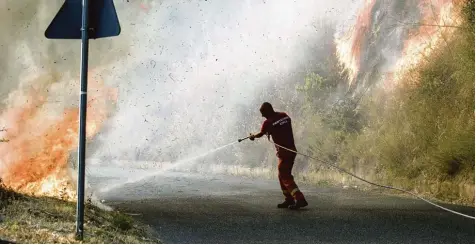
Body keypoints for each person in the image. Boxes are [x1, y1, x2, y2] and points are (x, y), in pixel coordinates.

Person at [249, 102, 308, 210]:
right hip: (291, 150)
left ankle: (300, 199)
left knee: (285, 175)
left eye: (262, 113)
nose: (262, 116)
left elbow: (261, 134)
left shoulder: (268, 122)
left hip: (284, 153)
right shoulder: (284, 116)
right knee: (282, 175)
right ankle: (289, 199)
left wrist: (253, 136)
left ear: (267, 111)